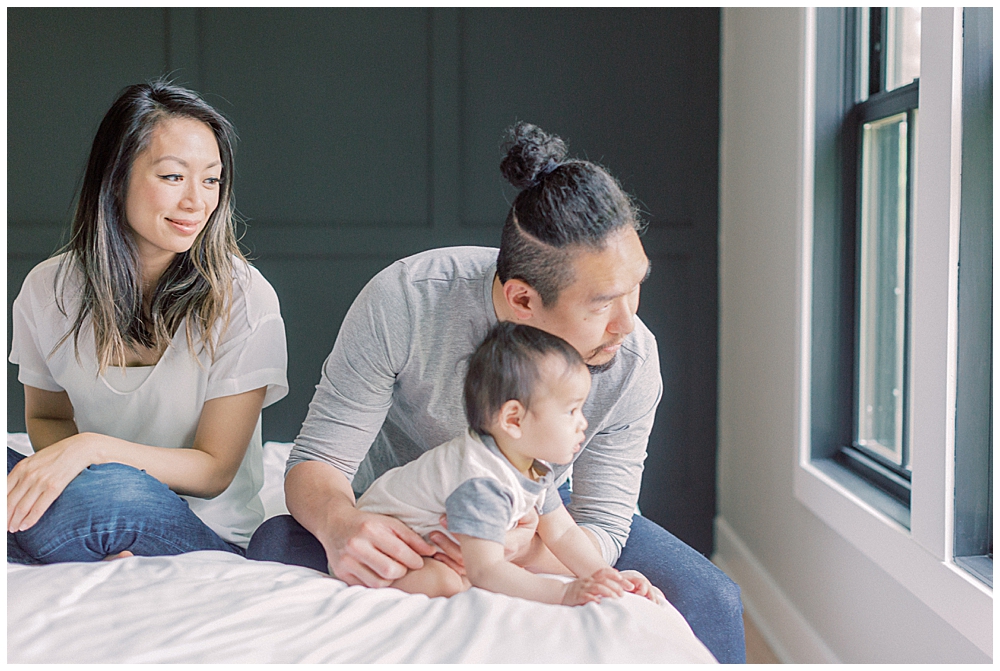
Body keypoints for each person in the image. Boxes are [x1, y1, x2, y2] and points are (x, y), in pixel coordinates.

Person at [248, 122, 744, 662]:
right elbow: (319, 460)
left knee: (712, 597)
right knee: (275, 543)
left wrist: (521, 549)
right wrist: (343, 526)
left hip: (535, 508)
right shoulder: (408, 300)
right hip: (402, 513)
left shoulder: (631, 361)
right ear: (523, 301)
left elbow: (602, 524)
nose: (628, 323)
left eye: (636, 287)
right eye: (602, 303)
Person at [7, 79, 288, 563]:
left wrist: (92, 452)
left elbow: (215, 470)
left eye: (211, 179)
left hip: (200, 526)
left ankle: (55, 531)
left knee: (112, 497)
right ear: (115, 178)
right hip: (94, 489)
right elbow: (48, 416)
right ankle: (69, 531)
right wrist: (74, 470)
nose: (198, 202)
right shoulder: (48, 289)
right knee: (96, 495)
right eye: (173, 177)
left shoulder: (243, 296)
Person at [356, 322, 662, 606]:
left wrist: (602, 575)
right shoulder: (482, 481)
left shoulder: (533, 465)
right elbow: (486, 570)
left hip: (435, 541)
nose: (583, 423)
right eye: (571, 411)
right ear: (513, 419)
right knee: (448, 582)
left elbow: (563, 533)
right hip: (382, 544)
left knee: (462, 574)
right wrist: (563, 591)